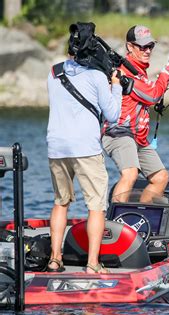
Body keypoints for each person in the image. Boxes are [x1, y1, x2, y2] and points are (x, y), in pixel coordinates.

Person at [46, 38, 122, 274]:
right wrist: (116, 86)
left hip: (56, 146)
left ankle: (55, 259)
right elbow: (113, 115)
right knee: (96, 207)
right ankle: (92, 264)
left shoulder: (53, 73)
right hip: (86, 148)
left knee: (60, 202)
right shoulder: (97, 77)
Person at [102, 25, 169, 202]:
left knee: (160, 178)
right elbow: (153, 95)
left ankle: (139, 217)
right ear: (130, 47)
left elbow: (148, 95)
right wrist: (165, 75)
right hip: (119, 133)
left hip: (138, 139)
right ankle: (115, 225)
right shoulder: (125, 72)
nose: (147, 50)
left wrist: (160, 85)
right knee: (130, 174)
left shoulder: (140, 72)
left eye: (150, 46)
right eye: (142, 46)